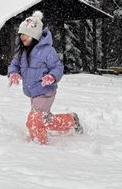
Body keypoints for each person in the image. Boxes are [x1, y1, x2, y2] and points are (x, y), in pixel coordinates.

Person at [8, 11, 83, 144]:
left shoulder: (47, 51)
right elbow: (14, 64)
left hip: (45, 90)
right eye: (21, 35)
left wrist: (52, 76)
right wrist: (13, 72)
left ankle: (39, 143)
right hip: (34, 92)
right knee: (45, 119)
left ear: (35, 36)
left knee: (35, 119)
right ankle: (71, 120)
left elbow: (58, 67)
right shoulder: (22, 52)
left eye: (26, 35)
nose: (23, 38)